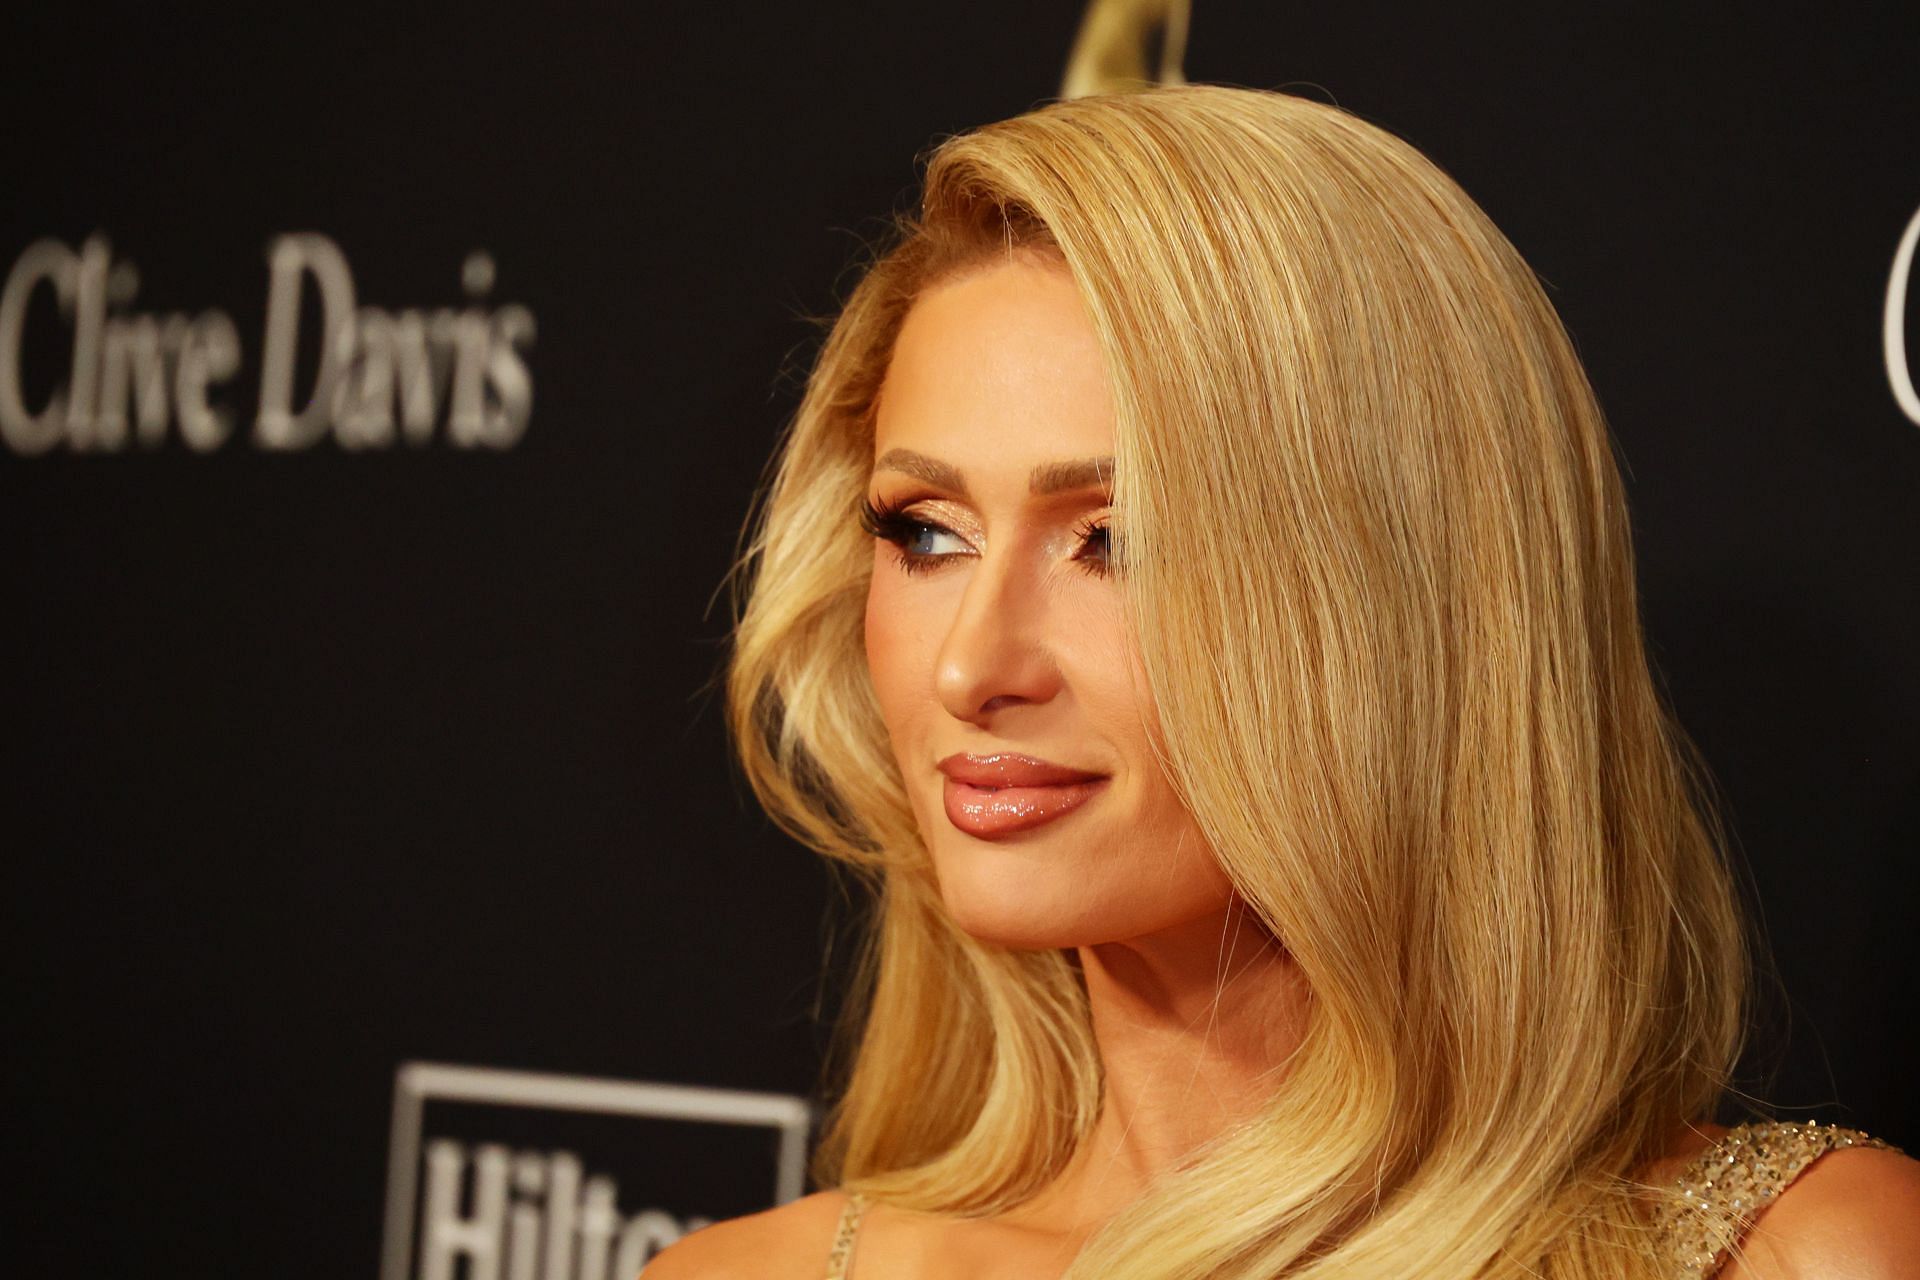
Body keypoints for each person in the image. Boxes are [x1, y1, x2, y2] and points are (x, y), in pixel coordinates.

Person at [647, 85, 1920, 1279]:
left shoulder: (1800, 1255)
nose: (973, 664)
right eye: (925, 530)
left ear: (1405, 597)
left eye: (1117, 538)